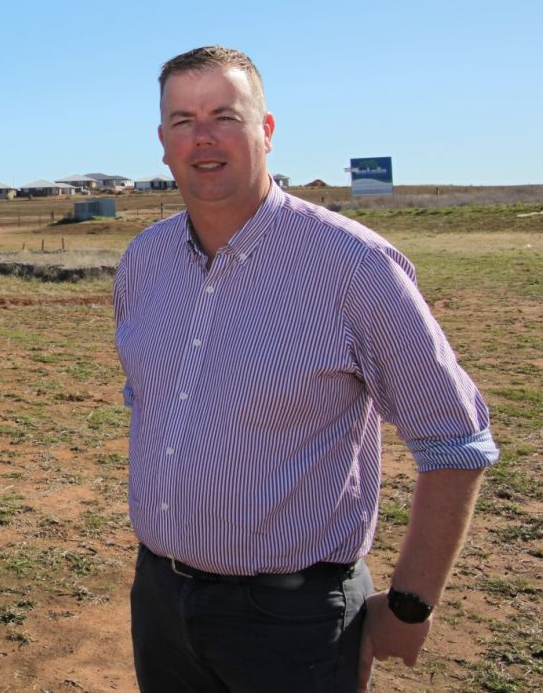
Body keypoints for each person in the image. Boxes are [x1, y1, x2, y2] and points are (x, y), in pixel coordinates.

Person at [114, 45, 498, 692]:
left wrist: (409, 607)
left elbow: (454, 442)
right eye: (183, 120)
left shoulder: (355, 267)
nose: (202, 137)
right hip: (160, 600)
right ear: (162, 141)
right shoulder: (143, 263)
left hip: (292, 623)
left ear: (265, 130)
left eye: (224, 116)